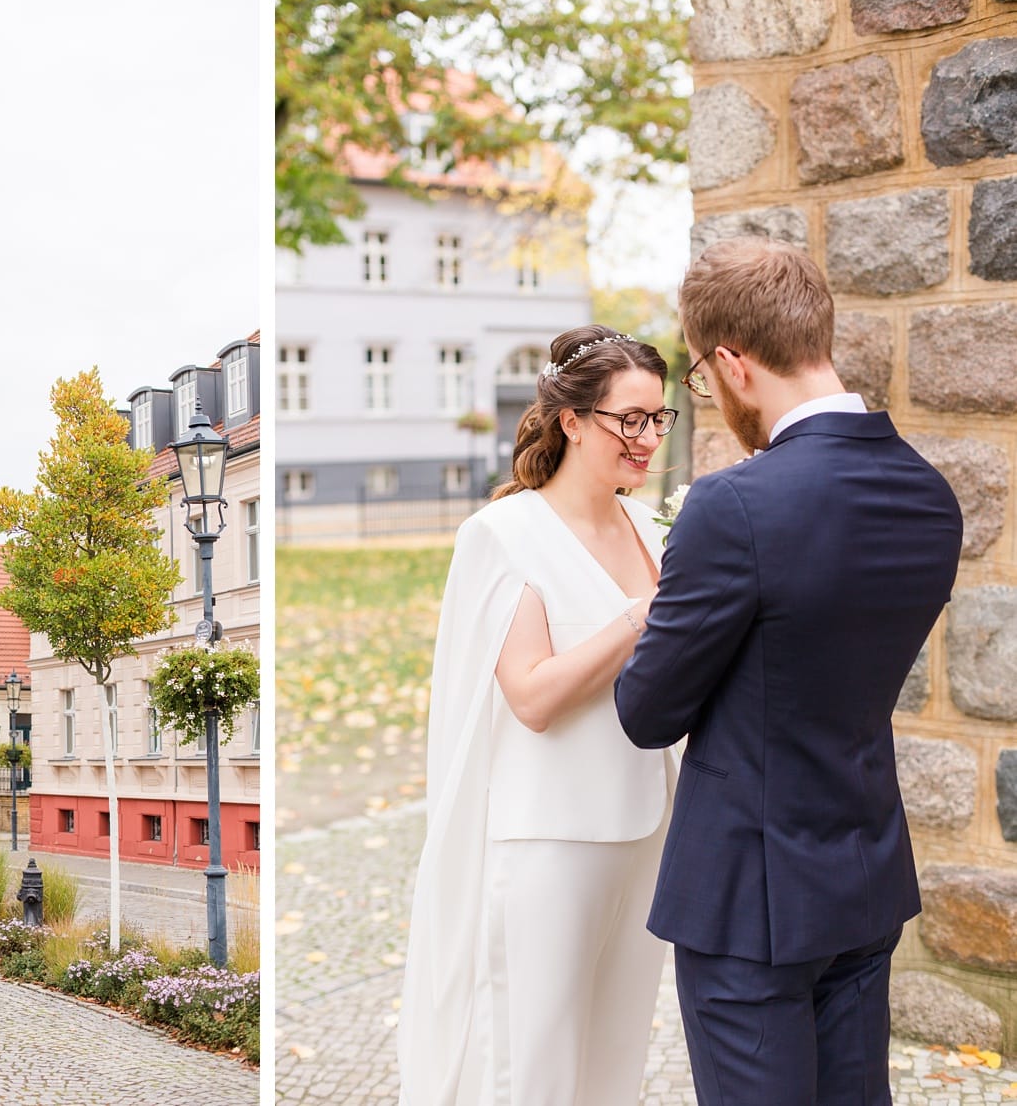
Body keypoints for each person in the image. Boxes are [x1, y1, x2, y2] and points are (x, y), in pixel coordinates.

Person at [615, 237, 963, 1106]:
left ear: (731, 363)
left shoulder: (733, 505)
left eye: (698, 376)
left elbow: (648, 710)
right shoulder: (930, 495)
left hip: (749, 896)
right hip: (866, 869)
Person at [398, 324, 681, 1105]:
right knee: (532, 1065)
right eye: (631, 419)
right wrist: (643, 615)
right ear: (573, 421)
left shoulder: (654, 528)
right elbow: (532, 696)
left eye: (659, 418)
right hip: (548, 838)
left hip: (648, 829)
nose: (648, 438)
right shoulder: (503, 535)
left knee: (612, 1060)